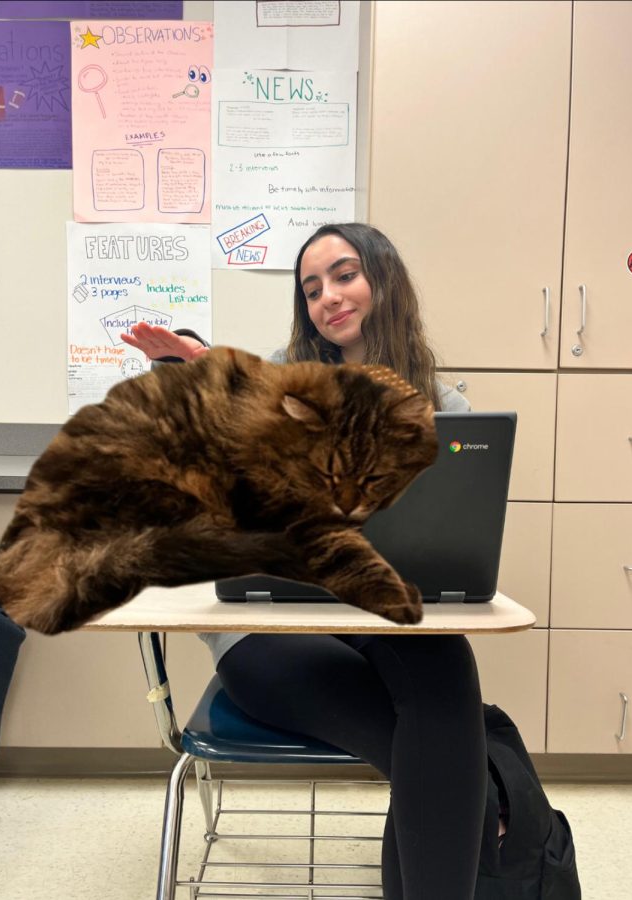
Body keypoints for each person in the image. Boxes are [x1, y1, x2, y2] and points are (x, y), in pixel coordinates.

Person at [122, 223, 486, 900]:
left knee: (445, 676)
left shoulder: (446, 408)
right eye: (311, 287)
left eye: (343, 275)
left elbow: (458, 533)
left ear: (383, 279)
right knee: (446, 751)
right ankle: (488, 799)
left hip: (382, 618)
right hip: (269, 633)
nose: (327, 297)